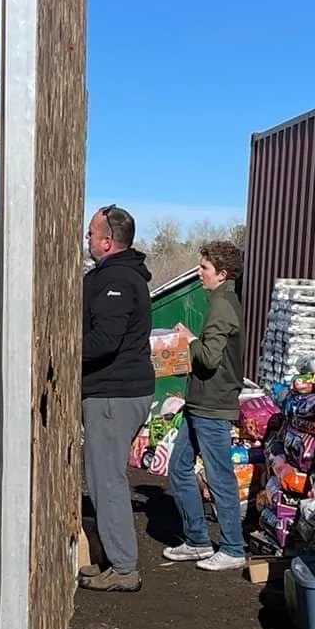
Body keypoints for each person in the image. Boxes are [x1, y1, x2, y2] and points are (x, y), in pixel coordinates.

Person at [79, 205, 154, 592]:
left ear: (108, 242)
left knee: (107, 480)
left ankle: (124, 568)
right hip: (116, 391)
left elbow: (104, 341)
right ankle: (114, 558)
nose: (87, 239)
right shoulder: (119, 275)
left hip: (114, 394)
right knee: (101, 476)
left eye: (91, 234)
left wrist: (57, 351)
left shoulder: (118, 280)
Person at [162, 239, 248, 571]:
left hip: (213, 404)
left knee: (219, 475)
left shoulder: (222, 305)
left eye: (204, 268)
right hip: (200, 402)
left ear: (222, 273)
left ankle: (233, 548)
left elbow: (210, 358)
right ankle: (197, 540)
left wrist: (189, 339)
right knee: (179, 468)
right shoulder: (221, 301)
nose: (199, 273)